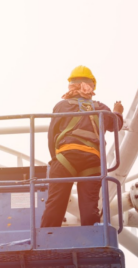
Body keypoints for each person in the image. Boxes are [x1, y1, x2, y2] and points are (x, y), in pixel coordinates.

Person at [40, 65, 124, 228]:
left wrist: (56, 159)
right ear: (91, 87)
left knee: (55, 205)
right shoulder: (100, 108)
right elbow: (115, 124)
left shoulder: (62, 106)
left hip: (66, 157)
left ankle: (48, 236)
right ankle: (92, 236)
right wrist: (117, 111)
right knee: (89, 208)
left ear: (71, 85)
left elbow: (52, 136)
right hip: (93, 161)